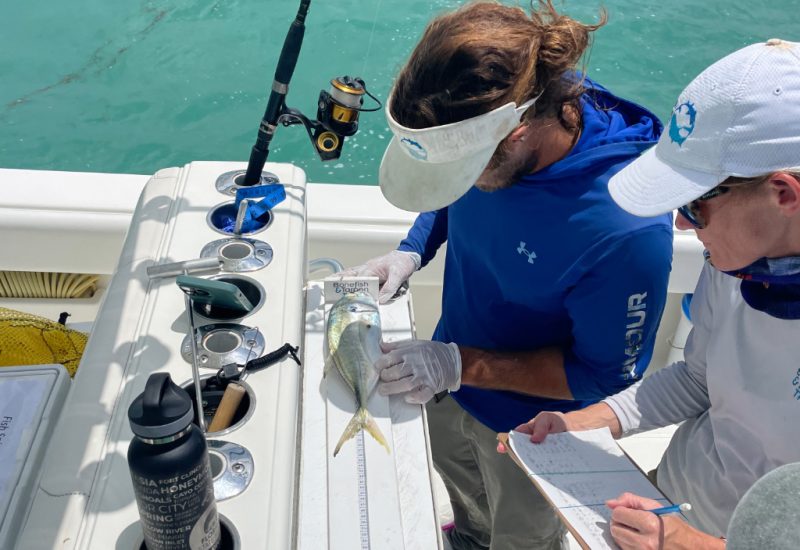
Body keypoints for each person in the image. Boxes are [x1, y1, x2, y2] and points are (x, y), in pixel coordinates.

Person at [341, 2, 673, 548]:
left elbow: (605, 376)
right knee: (467, 507)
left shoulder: (624, 229)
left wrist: (456, 362)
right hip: (446, 386)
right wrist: (411, 250)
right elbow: (453, 188)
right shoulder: (502, 123)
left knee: (521, 538)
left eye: (467, 171)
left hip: (529, 433)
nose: (460, 182)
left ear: (517, 134)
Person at [508, 38, 800, 549]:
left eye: (696, 205)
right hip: (661, 502)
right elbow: (697, 380)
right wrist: (583, 423)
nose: (683, 225)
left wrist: (687, 543)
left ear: (785, 195)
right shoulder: (735, 259)